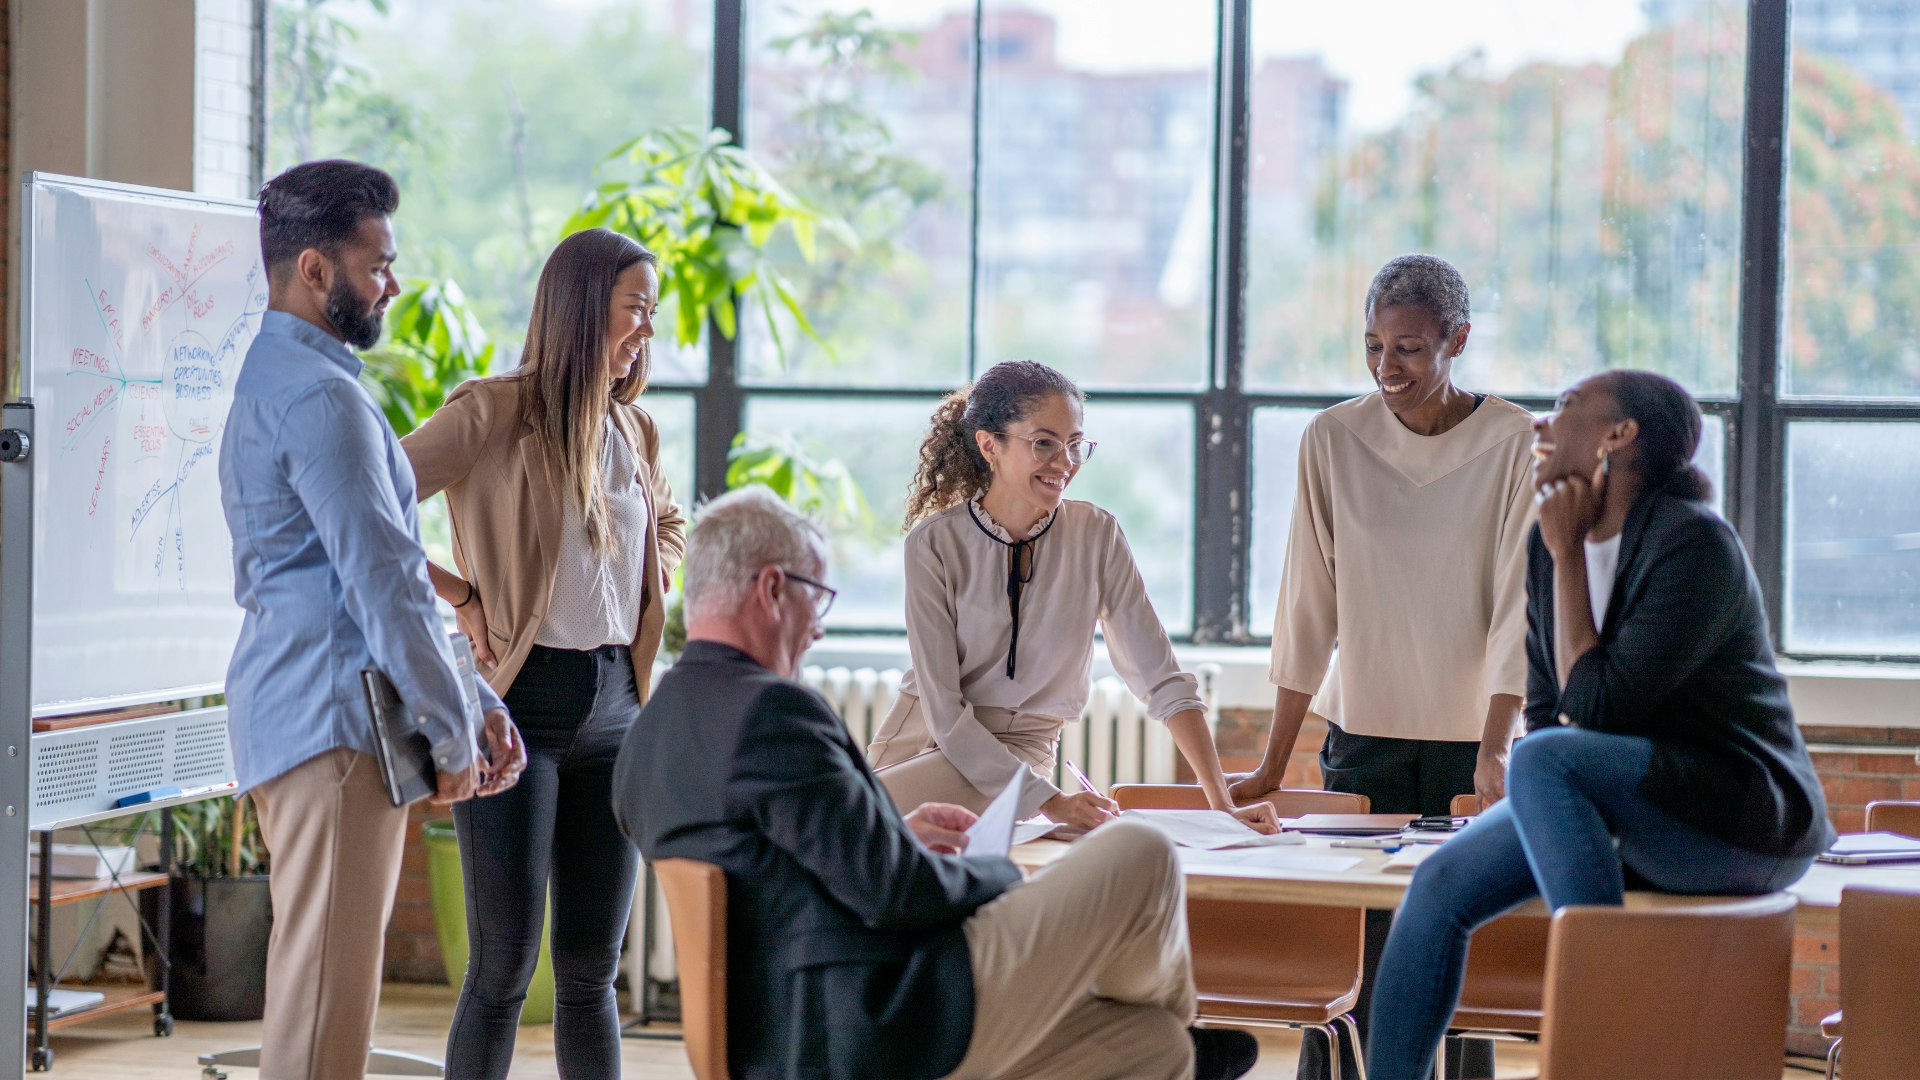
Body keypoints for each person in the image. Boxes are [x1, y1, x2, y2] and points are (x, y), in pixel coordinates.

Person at [612, 487, 1260, 1080]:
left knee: (1153, 1048)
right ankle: (1179, 1013)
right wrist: (1002, 873)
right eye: (819, 596)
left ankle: (1179, 1036)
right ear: (773, 589)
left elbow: (781, 871)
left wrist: (890, 832)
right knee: (1138, 850)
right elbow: (895, 894)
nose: (820, 625)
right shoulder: (773, 712)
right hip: (882, 1022)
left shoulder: (648, 734)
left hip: (782, 1043)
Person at [1365, 371, 1835, 1080]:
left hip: (1740, 820)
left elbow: (1599, 711)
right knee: (1437, 887)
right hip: (1629, 805)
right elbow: (1554, 709)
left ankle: (1615, 1041)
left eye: (1565, 408)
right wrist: (1560, 554)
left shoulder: (1694, 545)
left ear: (1619, 436)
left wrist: (1567, 558)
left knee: (1541, 762)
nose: (1539, 426)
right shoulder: (1545, 546)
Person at [219, 159, 527, 1080]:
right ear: (314, 269)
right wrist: (455, 725)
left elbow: (377, 573)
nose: (391, 283)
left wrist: (472, 696)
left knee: (323, 1005)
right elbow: (385, 581)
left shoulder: (287, 377)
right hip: (335, 732)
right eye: (376, 263)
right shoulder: (319, 398)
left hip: (316, 720)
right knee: (322, 1021)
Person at [1228, 255, 1534, 1079]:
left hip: (1475, 743)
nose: (1386, 367)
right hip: (1361, 738)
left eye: (1408, 349)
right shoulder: (1332, 439)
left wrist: (1498, 745)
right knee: (1361, 954)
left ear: (1457, 340)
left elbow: (1518, 610)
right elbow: (1306, 607)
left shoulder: (1513, 441)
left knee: (1456, 958)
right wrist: (1271, 760)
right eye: (1372, 346)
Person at [399, 227, 686, 1078]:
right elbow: (365, 496)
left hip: (618, 709)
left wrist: (649, 576)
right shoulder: (492, 409)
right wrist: (462, 595)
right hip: (519, 706)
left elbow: (665, 524)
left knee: (592, 972)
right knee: (502, 971)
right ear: (581, 304)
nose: (646, 328)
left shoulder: (634, 429)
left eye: (652, 312)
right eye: (635, 307)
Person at [867, 360, 1277, 834]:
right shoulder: (933, 543)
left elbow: (1161, 680)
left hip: (1020, 757)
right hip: (922, 741)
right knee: (843, 840)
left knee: (849, 838)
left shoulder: (1097, 534)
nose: (1064, 463)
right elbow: (944, 714)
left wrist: (1221, 804)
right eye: (1044, 443)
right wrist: (1052, 802)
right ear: (988, 445)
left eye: (1075, 445)